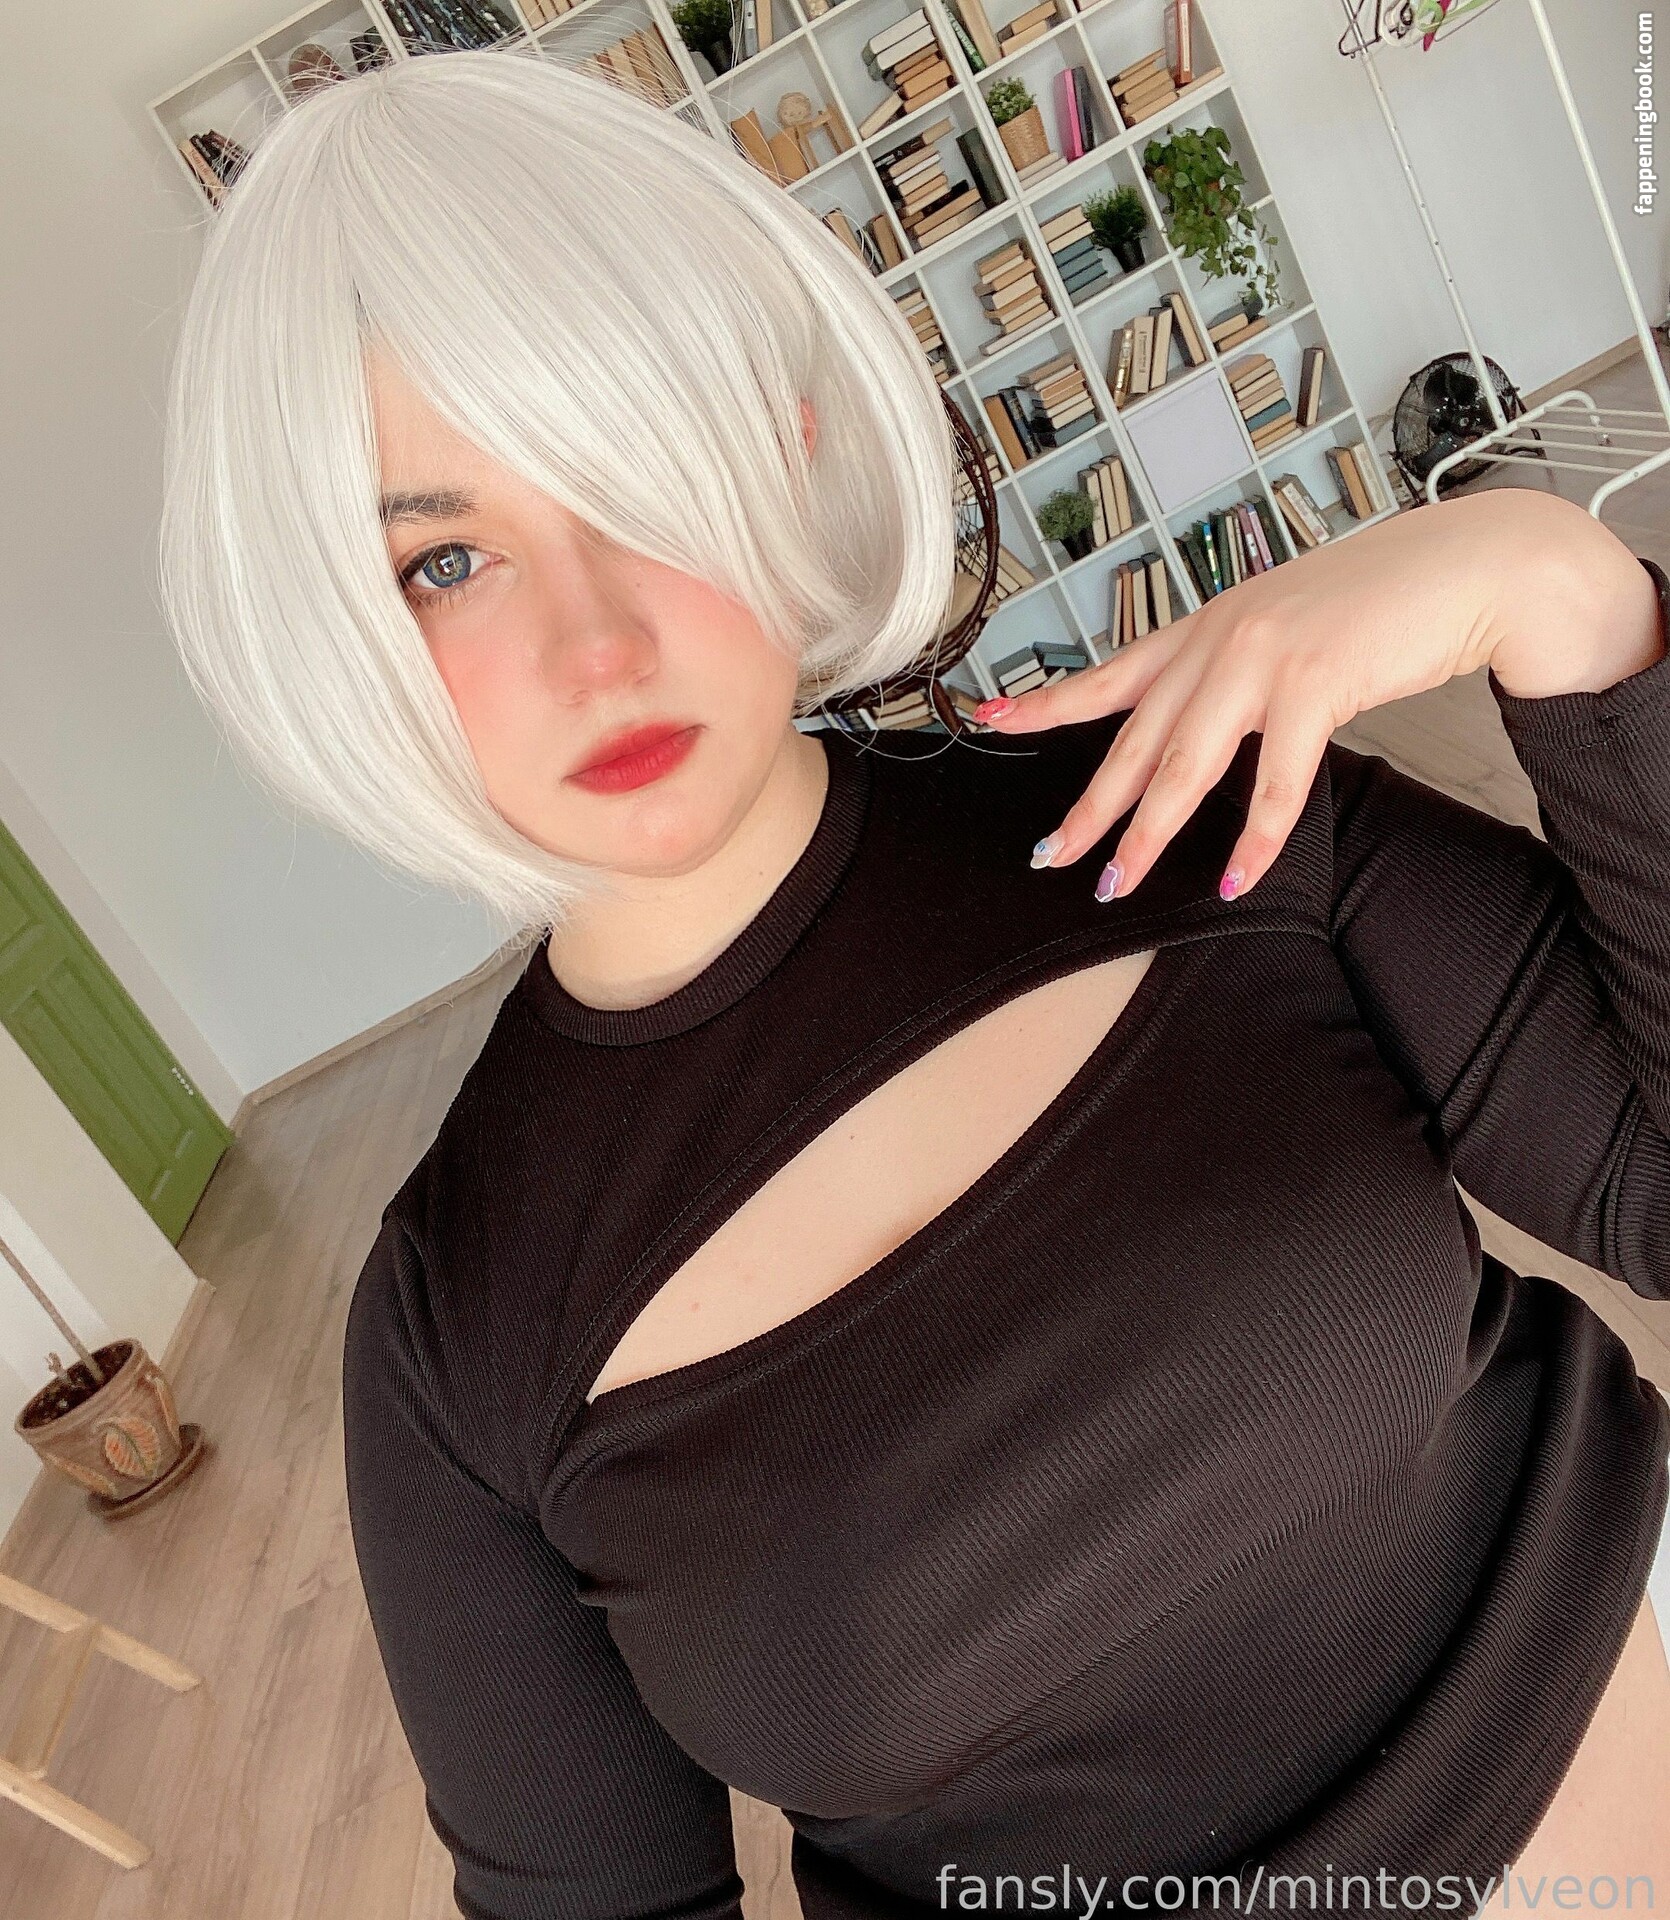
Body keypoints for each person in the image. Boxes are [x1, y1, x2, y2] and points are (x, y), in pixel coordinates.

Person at [156, 46, 1670, 1920]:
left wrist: (1553, 586)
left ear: (785, 447)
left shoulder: (1194, 810)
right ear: (334, 637)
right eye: (446, 559)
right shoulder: (456, 1334)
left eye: (638, 478)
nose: (595, 643)